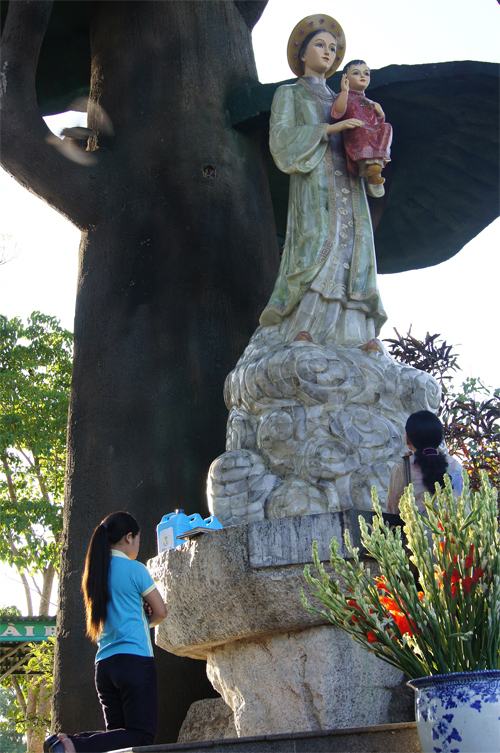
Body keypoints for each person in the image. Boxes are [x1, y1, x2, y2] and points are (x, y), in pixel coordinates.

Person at [259, 15, 387, 348]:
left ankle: (358, 333)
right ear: (302, 54)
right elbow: (282, 138)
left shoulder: (344, 100)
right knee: (318, 246)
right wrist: (327, 129)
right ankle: (306, 324)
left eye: (333, 48)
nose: (328, 52)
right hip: (315, 183)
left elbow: (363, 138)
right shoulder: (289, 94)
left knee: (353, 249)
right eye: (320, 45)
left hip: (349, 182)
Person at [44, 511, 167, 753]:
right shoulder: (135, 570)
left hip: (105, 667)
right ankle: (72, 744)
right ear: (129, 537)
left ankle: (67, 744)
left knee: (119, 742)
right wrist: (146, 618)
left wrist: (140, 615)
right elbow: (161, 612)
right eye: (138, 541)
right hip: (135, 663)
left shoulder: (95, 574)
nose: (138, 547)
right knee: (142, 736)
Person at [331, 60, 392, 197]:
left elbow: (378, 122)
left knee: (387, 127)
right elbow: (338, 112)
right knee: (362, 128)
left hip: (372, 134)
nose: (362, 76)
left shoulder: (370, 102)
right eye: (356, 73)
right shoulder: (344, 96)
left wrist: (380, 113)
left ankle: (376, 165)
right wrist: (344, 91)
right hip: (358, 133)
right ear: (345, 78)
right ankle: (368, 165)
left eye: (366, 73)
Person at [386, 411, 464, 515]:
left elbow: (393, 510)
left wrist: (408, 463)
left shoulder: (402, 468)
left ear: (407, 438)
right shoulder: (455, 464)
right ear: (440, 439)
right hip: (455, 530)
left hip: (418, 531)